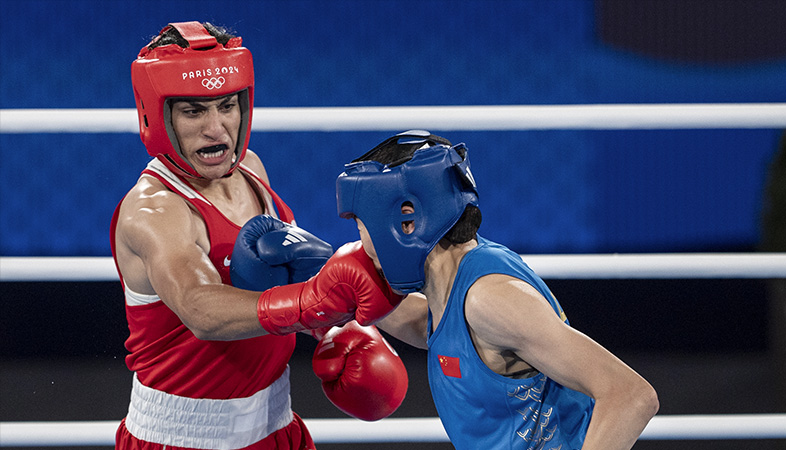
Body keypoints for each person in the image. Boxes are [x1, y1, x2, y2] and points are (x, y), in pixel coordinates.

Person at [110, 22, 406, 450]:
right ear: (158, 116)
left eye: (226, 106)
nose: (217, 129)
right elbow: (202, 310)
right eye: (193, 111)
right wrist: (311, 304)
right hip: (180, 440)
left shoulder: (250, 169)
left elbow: (286, 282)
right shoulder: (154, 210)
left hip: (276, 427)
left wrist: (332, 327)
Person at [335, 130, 660, 449]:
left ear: (407, 223)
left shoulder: (489, 299)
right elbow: (435, 328)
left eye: (362, 228)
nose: (362, 248)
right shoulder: (456, 281)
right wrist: (338, 284)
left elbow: (630, 395)